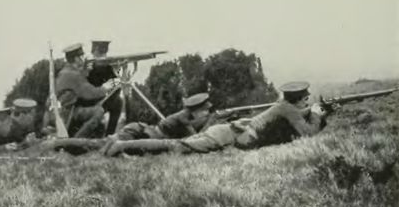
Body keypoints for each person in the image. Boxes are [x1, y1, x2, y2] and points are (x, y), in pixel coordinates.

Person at [104, 82, 328, 156]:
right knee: (175, 146)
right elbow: (307, 133)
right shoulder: (288, 109)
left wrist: (315, 113)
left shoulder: (286, 107)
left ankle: (122, 144)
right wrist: (317, 116)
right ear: (298, 99)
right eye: (306, 99)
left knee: (176, 146)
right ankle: (122, 144)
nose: (307, 103)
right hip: (225, 135)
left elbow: (298, 119)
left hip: (228, 132)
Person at [55, 43, 107, 138]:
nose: (84, 58)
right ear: (76, 59)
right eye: (81, 56)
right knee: (98, 111)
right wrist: (106, 88)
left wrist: (86, 71)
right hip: (70, 112)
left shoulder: (66, 71)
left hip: (65, 110)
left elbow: (79, 83)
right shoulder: (73, 74)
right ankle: (77, 140)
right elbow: (90, 93)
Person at [116, 92, 216, 140]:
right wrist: (211, 121)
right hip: (153, 134)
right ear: (196, 109)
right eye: (204, 110)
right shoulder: (183, 117)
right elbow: (194, 137)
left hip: (156, 133)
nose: (206, 113)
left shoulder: (187, 116)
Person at [86, 40, 124, 135]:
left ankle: (109, 134)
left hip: (102, 99)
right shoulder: (88, 66)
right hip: (88, 100)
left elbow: (115, 84)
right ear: (93, 51)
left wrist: (117, 70)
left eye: (104, 53)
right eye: (100, 52)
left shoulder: (107, 66)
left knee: (118, 102)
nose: (102, 56)